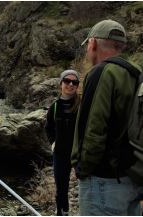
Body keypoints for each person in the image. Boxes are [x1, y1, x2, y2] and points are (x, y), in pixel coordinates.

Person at [71, 19, 143, 215]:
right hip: (132, 178)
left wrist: (82, 169)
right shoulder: (137, 73)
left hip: (103, 181)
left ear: (93, 43)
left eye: (88, 46)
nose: (87, 51)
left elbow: (93, 130)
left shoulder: (100, 72)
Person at [45, 69, 81, 216]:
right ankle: (62, 212)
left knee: (85, 185)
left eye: (74, 82)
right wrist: (53, 143)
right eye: (67, 81)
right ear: (61, 84)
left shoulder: (82, 105)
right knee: (61, 188)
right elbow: (49, 128)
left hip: (79, 153)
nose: (70, 84)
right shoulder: (54, 107)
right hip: (60, 153)